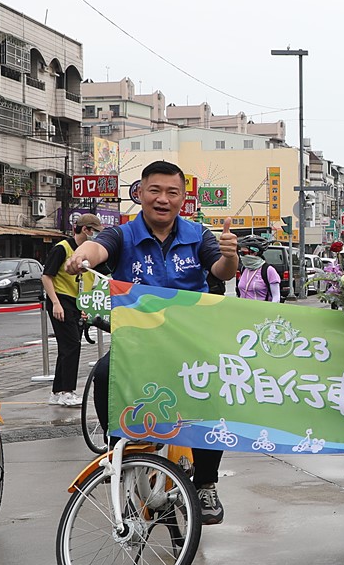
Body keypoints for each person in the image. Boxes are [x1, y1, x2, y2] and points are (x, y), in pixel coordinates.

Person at [65, 161, 239, 524]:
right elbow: (99, 249)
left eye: (172, 192)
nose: (163, 199)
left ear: (183, 198)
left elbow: (221, 271)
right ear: (140, 194)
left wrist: (229, 256)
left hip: (191, 345)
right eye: (155, 191)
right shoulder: (122, 234)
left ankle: (206, 483)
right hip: (139, 344)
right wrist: (82, 256)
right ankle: (121, 457)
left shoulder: (199, 235)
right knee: (105, 373)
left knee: (216, 390)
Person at [42, 213, 102, 406]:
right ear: (86, 230)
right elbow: (46, 276)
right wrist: (56, 303)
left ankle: (57, 391)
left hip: (75, 302)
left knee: (67, 347)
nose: (96, 236)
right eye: (95, 231)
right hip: (61, 300)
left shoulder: (89, 254)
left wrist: (83, 307)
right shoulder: (63, 248)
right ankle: (67, 391)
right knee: (71, 346)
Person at [233, 236, 283, 302]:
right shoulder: (244, 269)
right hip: (244, 310)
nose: (241, 256)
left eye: (243, 253)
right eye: (240, 253)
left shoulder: (268, 270)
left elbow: (276, 297)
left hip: (262, 310)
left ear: (255, 252)